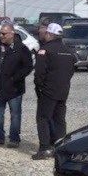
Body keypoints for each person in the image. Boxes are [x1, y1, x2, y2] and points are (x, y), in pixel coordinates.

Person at [0, 21, 34, 147]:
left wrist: (15, 78)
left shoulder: (21, 48)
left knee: (15, 114)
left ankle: (14, 138)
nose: (1, 35)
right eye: (0, 33)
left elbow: (28, 66)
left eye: (4, 33)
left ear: (12, 33)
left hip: (14, 89)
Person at [32, 22, 75, 160]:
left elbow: (39, 73)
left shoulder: (44, 50)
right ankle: (60, 147)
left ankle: (45, 148)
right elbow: (71, 71)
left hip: (48, 91)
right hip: (63, 90)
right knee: (59, 119)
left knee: (43, 118)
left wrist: (39, 87)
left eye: (46, 33)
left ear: (49, 34)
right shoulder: (68, 51)